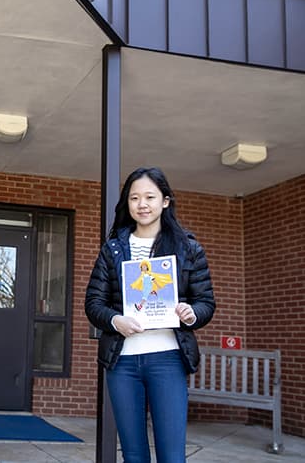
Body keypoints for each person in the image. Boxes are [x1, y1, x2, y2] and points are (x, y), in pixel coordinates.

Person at [85, 167, 215, 463]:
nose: (142, 204)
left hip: (168, 360)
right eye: (134, 198)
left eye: (149, 197)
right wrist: (115, 320)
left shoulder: (188, 248)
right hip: (123, 362)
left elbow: (206, 302)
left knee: (171, 455)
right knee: (133, 454)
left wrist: (191, 313)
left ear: (165, 201)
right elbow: (94, 303)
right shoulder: (113, 249)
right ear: (127, 204)